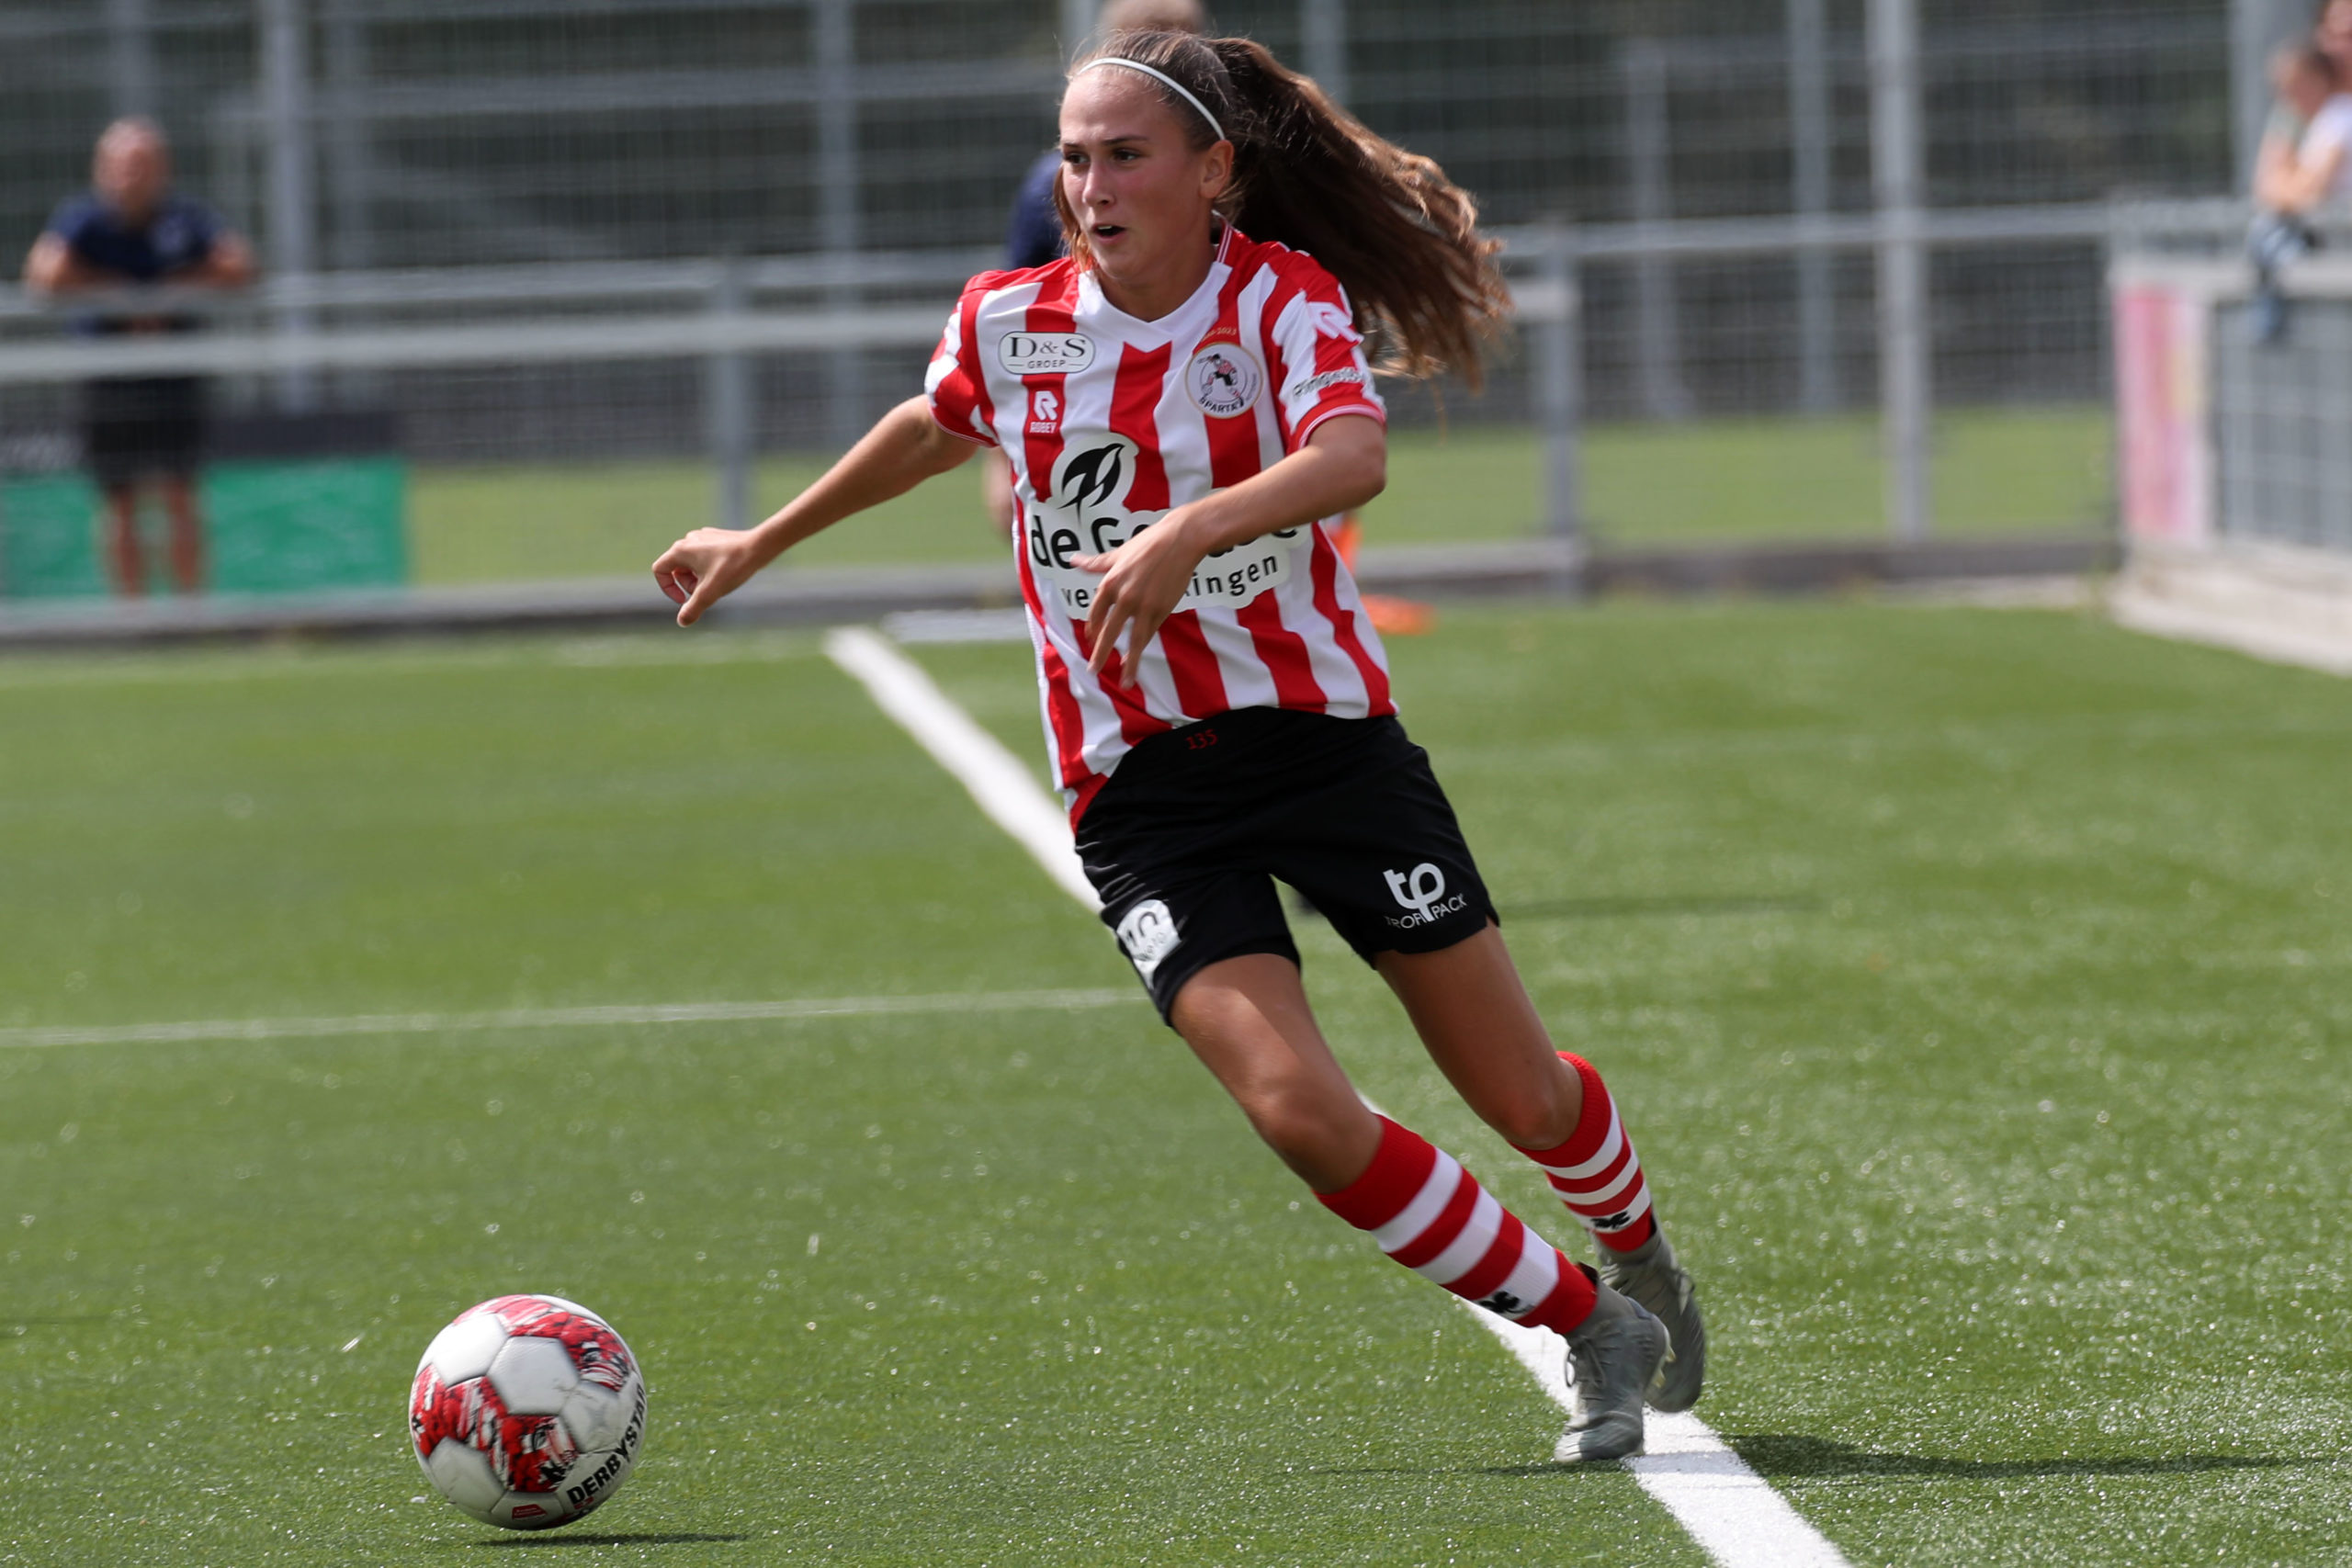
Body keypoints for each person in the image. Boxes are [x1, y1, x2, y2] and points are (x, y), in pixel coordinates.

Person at [652, 28, 1707, 1462]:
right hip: (1139, 790)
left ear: (1214, 172)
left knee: (1519, 1091)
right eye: (1074, 157)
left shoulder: (1279, 299)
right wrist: (760, 538)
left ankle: (1638, 1243)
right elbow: (933, 419)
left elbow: (1354, 454)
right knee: (1296, 1107)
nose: (1090, 183)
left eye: (1124, 154)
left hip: (1324, 746)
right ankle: (1590, 1319)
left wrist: (1191, 527)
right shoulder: (1006, 320)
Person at [983, 0, 1211, 540]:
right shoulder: (1054, 186)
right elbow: (1014, 324)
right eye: (1078, 161)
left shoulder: (1258, 182)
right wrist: (1001, 457)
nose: (1096, 190)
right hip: (1097, 426)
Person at [21, 118, 254, 595]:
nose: (133, 177)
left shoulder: (185, 219)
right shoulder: (84, 220)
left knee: (179, 496)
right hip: (107, 380)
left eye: (144, 166)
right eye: (124, 166)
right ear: (102, 169)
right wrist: (122, 298)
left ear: (163, 170)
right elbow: (44, 275)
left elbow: (239, 266)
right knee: (119, 502)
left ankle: (192, 617)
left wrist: (165, 296)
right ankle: (132, 621)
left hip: (171, 378)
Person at [2248, 45, 2352, 343]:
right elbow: (2267, 186)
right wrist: (2291, 188)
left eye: (2292, 85)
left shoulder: (2340, 116)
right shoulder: (2321, 122)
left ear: (2317, 80)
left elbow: (2312, 189)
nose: (2285, 97)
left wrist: (2288, 188)